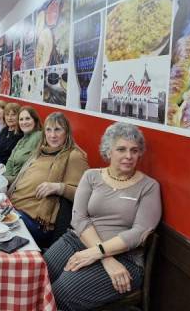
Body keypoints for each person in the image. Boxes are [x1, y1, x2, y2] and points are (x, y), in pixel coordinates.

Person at [44, 122, 162, 311]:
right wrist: (103, 256)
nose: (129, 156)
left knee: (63, 292)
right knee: (40, 275)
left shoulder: (149, 186)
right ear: (109, 151)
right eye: (121, 149)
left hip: (125, 259)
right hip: (78, 241)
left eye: (134, 150)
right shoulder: (91, 176)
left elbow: (140, 232)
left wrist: (97, 252)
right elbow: (79, 218)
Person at [9, 112, 88, 247]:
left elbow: (86, 195)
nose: (53, 135)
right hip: (13, 208)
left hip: (37, 223)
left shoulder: (74, 156)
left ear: (67, 132)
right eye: (48, 130)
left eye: (58, 129)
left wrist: (59, 187)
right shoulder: (41, 152)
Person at [5, 106, 43, 180]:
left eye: (27, 118)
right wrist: (5, 178)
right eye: (21, 119)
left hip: (20, 184)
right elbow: (10, 161)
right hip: (9, 181)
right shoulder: (22, 139)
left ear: (35, 120)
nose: (24, 122)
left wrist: (6, 180)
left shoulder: (39, 136)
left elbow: (28, 171)